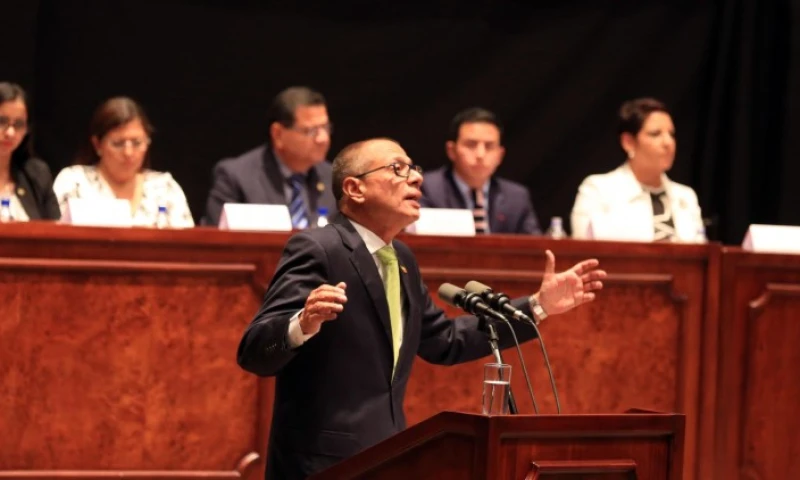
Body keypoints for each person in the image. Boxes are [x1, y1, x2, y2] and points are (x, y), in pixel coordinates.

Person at [237, 138, 606, 479]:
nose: (415, 178)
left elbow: (444, 340)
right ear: (354, 188)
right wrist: (302, 322)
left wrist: (539, 306)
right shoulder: (318, 248)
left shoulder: (401, 259)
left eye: (414, 169)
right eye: (398, 168)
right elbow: (255, 351)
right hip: (321, 466)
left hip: (389, 458)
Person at [570, 97, 705, 242]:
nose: (668, 142)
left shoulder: (685, 196)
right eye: (655, 134)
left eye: (671, 134)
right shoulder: (598, 190)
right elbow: (585, 253)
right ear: (628, 142)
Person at [203, 86, 337, 227]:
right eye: (311, 131)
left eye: (325, 128)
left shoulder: (334, 179)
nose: (323, 138)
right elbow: (214, 242)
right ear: (278, 134)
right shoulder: (237, 178)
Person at [52, 97, 194, 228]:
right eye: (118, 144)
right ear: (97, 145)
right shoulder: (74, 183)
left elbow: (189, 247)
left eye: (137, 143)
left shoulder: (165, 189)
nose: (128, 153)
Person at [420, 107, 541, 234]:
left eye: (489, 146)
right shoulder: (427, 189)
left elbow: (535, 247)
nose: (480, 154)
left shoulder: (516, 197)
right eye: (471, 144)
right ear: (451, 151)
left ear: (500, 155)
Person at [0, 82, 60, 221]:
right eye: (2, 121)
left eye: (19, 124)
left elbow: (56, 231)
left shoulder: (36, 174)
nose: (10, 132)